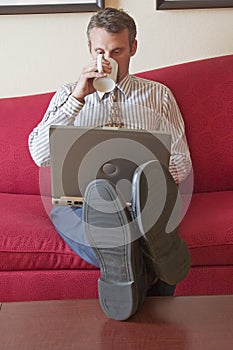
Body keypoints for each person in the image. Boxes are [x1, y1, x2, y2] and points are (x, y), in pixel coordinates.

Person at [28, 8, 192, 321]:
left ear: (133, 48)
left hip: (145, 204)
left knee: (138, 221)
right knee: (114, 221)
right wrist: (78, 97)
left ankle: (128, 252)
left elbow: (182, 161)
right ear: (89, 51)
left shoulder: (158, 96)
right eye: (100, 51)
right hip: (80, 205)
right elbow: (39, 154)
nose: (108, 60)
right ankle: (156, 253)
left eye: (117, 51)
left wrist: (145, 177)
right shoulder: (67, 95)